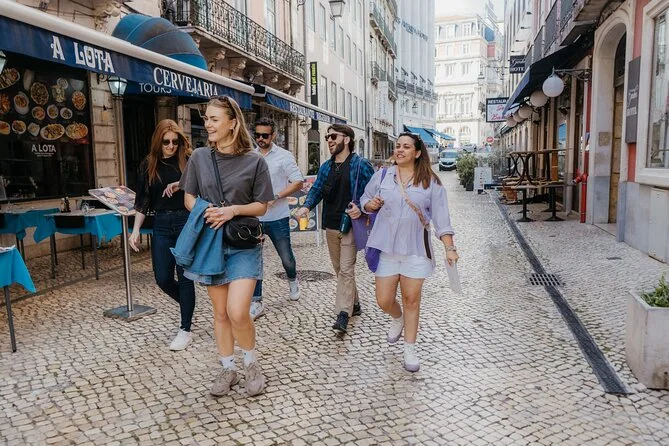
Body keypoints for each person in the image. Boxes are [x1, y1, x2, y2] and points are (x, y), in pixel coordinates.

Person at [178, 96, 274, 397]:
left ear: (233, 123)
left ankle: (251, 363)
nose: (207, 124)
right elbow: (188, 197)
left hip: (243, 243)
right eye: (206, 118)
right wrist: (206, 210)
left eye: (214, 119)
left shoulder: (255, 161)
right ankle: (228, 368)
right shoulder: (199, 158)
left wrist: (232, 210)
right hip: (211, 243)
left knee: (237, 311)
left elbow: (262, 206)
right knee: (220, 312)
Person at [357, 132, 459, 372]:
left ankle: (410, 348)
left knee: (412, 300)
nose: (400, 150)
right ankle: (397, 317)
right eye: (398, 146)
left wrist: (450, 248)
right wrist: (369, 205)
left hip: (415, 250)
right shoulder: (382, 175)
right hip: (386, 248)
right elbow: (365, 199)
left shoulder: (431, 182)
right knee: (383, 300)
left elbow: (442, 220)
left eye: (406, 147)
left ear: (417, 152)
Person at [296, 124, 374, 334]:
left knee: (346, 269)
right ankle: (354, 303)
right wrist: (306, 207)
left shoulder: (361, 165)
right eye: (327, 137)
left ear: (346, 139)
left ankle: (342, 314)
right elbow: (317, 190)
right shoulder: (326, 167)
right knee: (340, 270)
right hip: (330, 224)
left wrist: (361, 208)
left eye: (333, 136)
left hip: (350, 224)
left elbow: (373, 193)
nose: (329, 140)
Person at [129, 119, 196, 351]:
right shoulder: (149, 164)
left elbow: (202, 187)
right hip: (161, 224)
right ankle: (188, 304)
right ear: (158, 142)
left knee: (185, 277)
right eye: (166, 142)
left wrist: (181, 182)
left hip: (185, 221)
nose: (171, 146)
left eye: (175, 142)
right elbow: (143, 200)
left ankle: (185, 328)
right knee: (163, 278)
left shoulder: (188, 159)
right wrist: (135, 230)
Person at [250, 117, 304, 320]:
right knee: (254, 259)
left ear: (273, 135)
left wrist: (276, 196)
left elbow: (298, 181)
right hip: (254, 217)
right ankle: (256, 300)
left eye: (265, 135)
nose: (261, 139)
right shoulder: (250, 155)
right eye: (257, 135)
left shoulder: (284, 156)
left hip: (277, 217)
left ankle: (293, 280)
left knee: (286, 256)